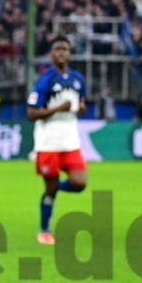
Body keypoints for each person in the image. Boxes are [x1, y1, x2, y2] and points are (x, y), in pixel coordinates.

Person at [26, 36, 88, 245]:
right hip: (48, 141)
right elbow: (31, 113)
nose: (61, 53)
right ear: (51, 54)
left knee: (79, 183)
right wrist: (56, 109)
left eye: (64, 49)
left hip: (71, 140)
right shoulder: (45, 80)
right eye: (57, 49)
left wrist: (79, 111)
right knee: (50, 191)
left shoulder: (78, 79)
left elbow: (77, 107)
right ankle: (44, 230)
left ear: (69, 53)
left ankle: (53, 188)